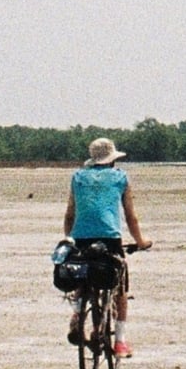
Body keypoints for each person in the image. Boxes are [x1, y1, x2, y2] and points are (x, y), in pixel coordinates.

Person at [65, 136, 151, 356]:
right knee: (120, 287)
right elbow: (131, 217)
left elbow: (70, 215)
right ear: (112, 159)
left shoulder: (78, 177)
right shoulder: (120, 177)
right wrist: (140, 242)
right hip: (109, 239)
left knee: (82, 276)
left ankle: (77, 315)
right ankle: (120, 342)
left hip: (81, 238)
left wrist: (70, 238)